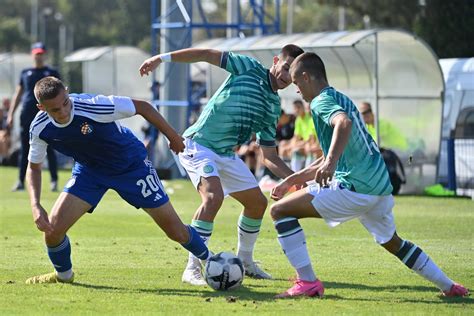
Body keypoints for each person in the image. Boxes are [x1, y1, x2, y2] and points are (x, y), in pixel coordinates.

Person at [269, 52, 468, 298]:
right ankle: (449, 286)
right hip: (380, 189)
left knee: (279, 211)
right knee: (394, 243)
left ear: (306, 77)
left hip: (355, 188)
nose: (297, 90)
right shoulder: (341, 98)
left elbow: (343, 125)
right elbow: (330, 157)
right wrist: (291, 180)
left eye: (297, 83)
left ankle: (307, 283)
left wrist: (330, 164)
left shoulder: (320, 102)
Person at [139, 45, 304, 285]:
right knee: (213, 197)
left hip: (226, 154)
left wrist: (296, 178)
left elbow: (269, 155)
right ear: (276, 61)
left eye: (293, 75)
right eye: (286, 68)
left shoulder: (272, 106)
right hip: (198, 145)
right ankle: (192, 267)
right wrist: (161, 58)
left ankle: (245, 261)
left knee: (257, 203)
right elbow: (207, 54)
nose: (286, 76)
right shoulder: (248, 67)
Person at [24, 77, 211, 284]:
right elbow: (34, 167)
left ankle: (213, 262)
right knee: (52, 231)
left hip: (131, 166)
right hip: (90, 171)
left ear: (67, 92)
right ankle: (64, 276)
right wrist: (35, 205)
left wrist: (173, 136)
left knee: (176, 231)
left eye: (65, 103)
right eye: (55, 110)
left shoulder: (94, 105)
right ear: (41, 108)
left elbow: (144, 107)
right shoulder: (39, 128)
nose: (64, 112)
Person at [6, 42, 60, 192]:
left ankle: (54, 180)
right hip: (27, 115)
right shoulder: (25, 72)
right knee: (25, 149)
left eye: (41, 53)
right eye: (36, 53)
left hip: (48, 115)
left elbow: (61, 93)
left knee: (50, 147)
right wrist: (11, 113)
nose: (39, 56)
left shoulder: (51, 71)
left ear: (45, 54)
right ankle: (20, 181)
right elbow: (18, 94)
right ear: (32, 55)